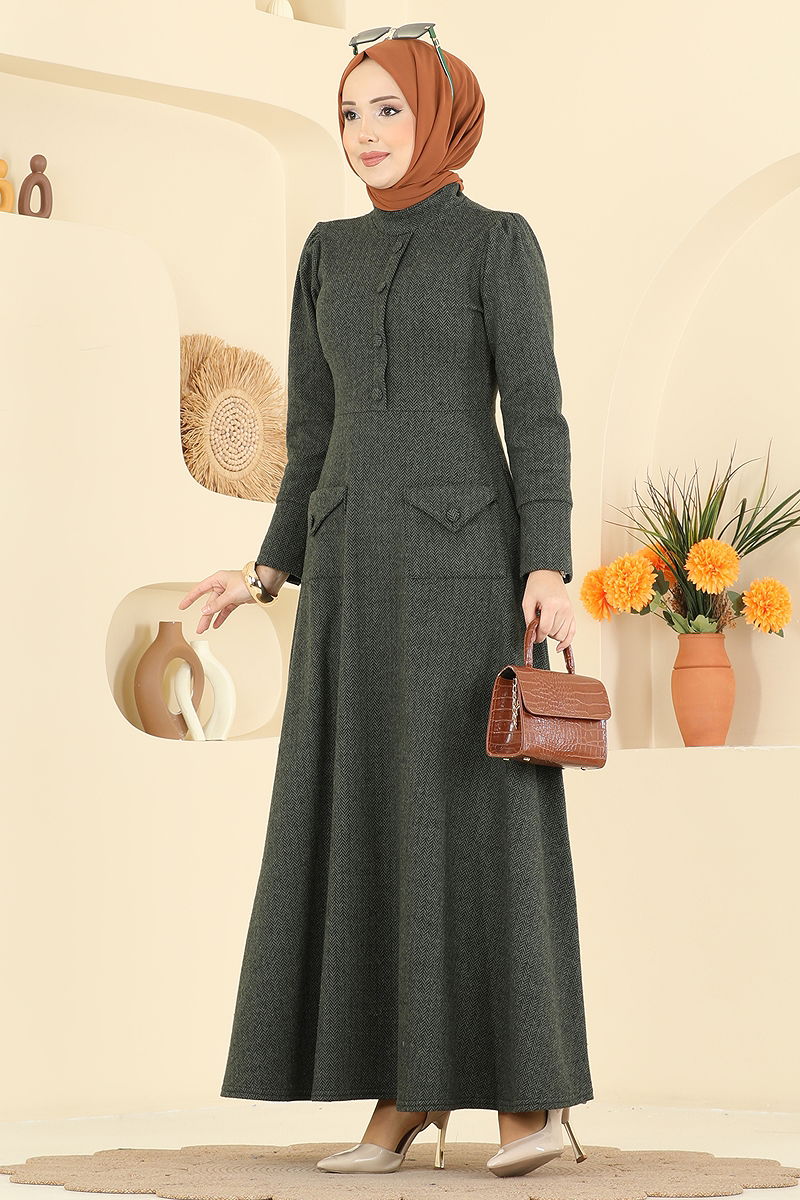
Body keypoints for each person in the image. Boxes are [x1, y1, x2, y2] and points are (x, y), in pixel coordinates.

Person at [178, 29, 593, 1180]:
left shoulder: (497, 243)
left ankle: (529, 1101)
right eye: (350, 113)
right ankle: (404, 1095)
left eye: (388, 110)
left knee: (475, 822)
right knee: (369, 821)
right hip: (349, 577)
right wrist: (265, 569)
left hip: (464, 577)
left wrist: (547, 564)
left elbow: (537, 411)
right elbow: (310, 433)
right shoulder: (325, 253)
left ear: (440, 115)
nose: (365, 133)